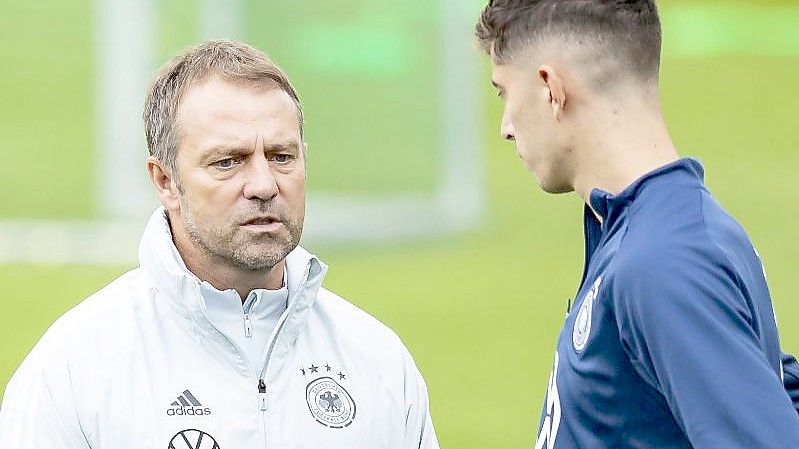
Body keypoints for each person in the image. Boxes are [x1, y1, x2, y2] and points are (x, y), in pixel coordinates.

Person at [0, 40, 438, 449]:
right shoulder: (75, 371)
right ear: (165, 181)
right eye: (229, 162)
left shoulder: (377, 361)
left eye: (282, 157)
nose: (264, 185)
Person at [475, 0, 799, 447]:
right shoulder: (656, 232)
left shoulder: (663, 261)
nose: (506, 127)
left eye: (503, 92)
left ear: (551, 87)